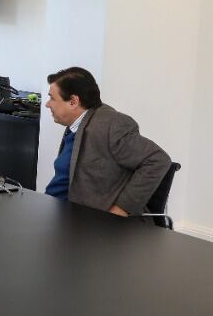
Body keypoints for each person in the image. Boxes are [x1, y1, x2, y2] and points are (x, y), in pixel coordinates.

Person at [43, 66, 170, 217]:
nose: (47, 104)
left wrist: (121, 209)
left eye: (52, 98)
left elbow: (157, 160)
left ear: (73, 102)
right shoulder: (76, 123)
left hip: (87, 223)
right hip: (57, 212)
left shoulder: (112, 124)